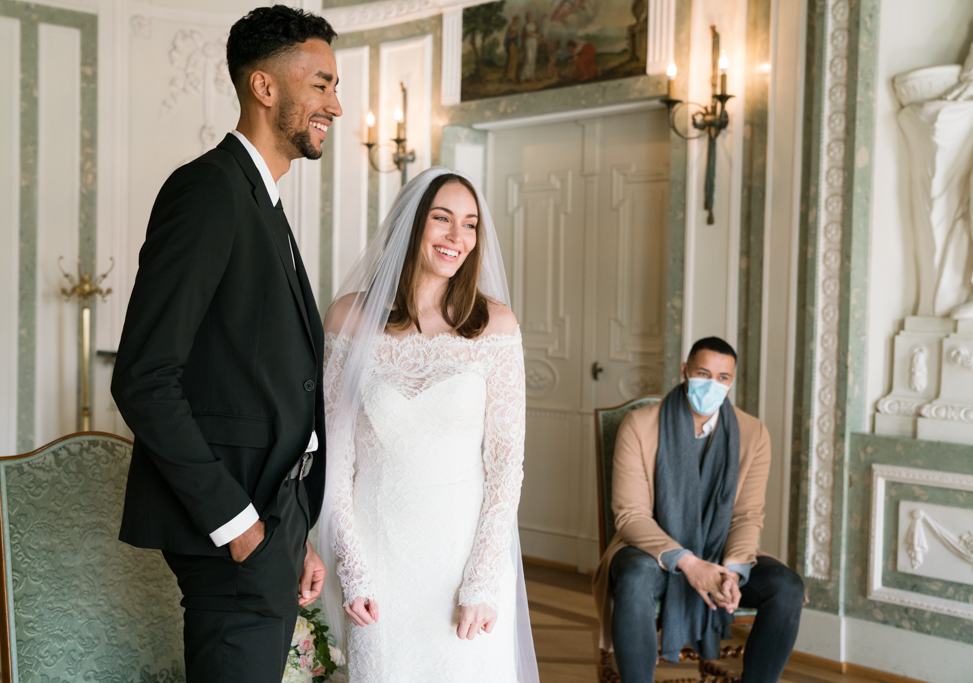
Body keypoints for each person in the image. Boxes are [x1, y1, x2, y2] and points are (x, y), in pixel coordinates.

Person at [110, 7, 341, 682]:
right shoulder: (209, 191)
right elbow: (144, 378)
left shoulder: (261, 201)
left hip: (274, 519)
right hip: (234, 532)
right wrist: (239, 525)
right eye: (321, 83)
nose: (335, 102)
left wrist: (295, 530)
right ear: (265, 88)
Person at [317, 167, 538, 683]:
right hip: (378, 557)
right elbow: (335, 457)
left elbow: (506, 463)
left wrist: (482, 580)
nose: (457, 237)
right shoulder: (348, 319)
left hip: (463, 557)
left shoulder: (497, 325)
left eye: (470, 224)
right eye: (442, 219)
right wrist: (352, 569)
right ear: (411, 225)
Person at [591, 337, 805, 683]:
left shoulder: (753, 433)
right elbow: (630, 516)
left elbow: (748, 515)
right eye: (703, 373)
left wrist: (732, 572)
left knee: (787, 586)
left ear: (732, 381)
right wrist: (688, 563)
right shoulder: (640, 424)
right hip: (651, 554)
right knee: (632, 576)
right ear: (685, 372)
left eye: (722, 377)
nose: (712, 383)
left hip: (721, 554)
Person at [520, 12, 541, 83]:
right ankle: (522, 77)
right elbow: (529, 34)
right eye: (528, 16)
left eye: (530, 16)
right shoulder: (525, 26)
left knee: (533, 59)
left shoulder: (534, 24)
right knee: (528, 59)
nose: (530, 17)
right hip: (528, 42)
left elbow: (537, 24)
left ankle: (530, 76)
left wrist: (537, 36)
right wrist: (537, 36)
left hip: (534, 42)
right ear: (526, 17)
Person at [503, 16, 521, 83]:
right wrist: (514, 34)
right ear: (513, 21)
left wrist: (516, 34)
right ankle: (506, 77)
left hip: (514, 45)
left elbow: (517, 38)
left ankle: (512, 77)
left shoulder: (516, 28)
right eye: (516, 21)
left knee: (514, 60)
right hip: (510, 45)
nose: (517, 22)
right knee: (510, 60)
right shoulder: (510, 28)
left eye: (518, 21)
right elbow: (508, 37)